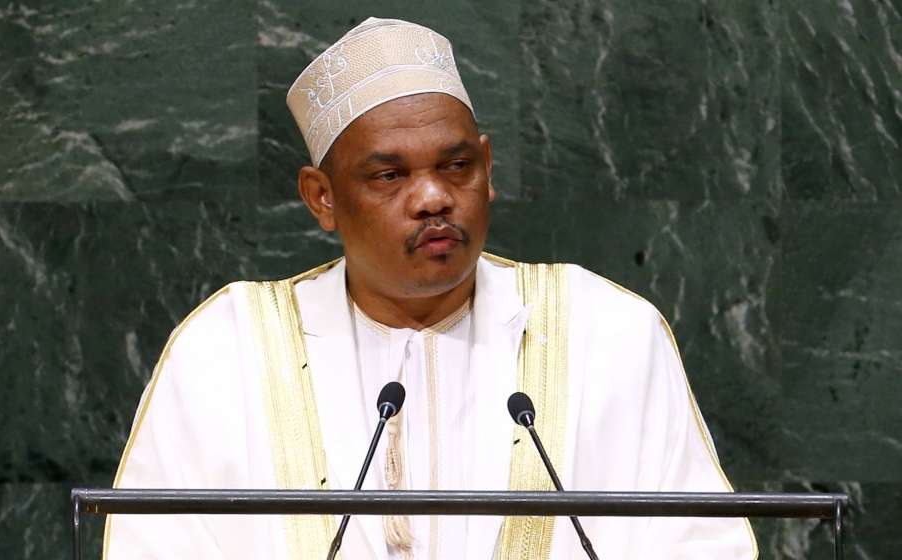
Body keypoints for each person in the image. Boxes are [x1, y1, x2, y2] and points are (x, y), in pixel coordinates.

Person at [103, 17, 757, 560]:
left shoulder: (606, 333)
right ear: (321, 198)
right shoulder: (226, 352)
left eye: (457, 166)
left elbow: (701, 544)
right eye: (389, 176)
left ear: (488, 168)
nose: (434, 197)